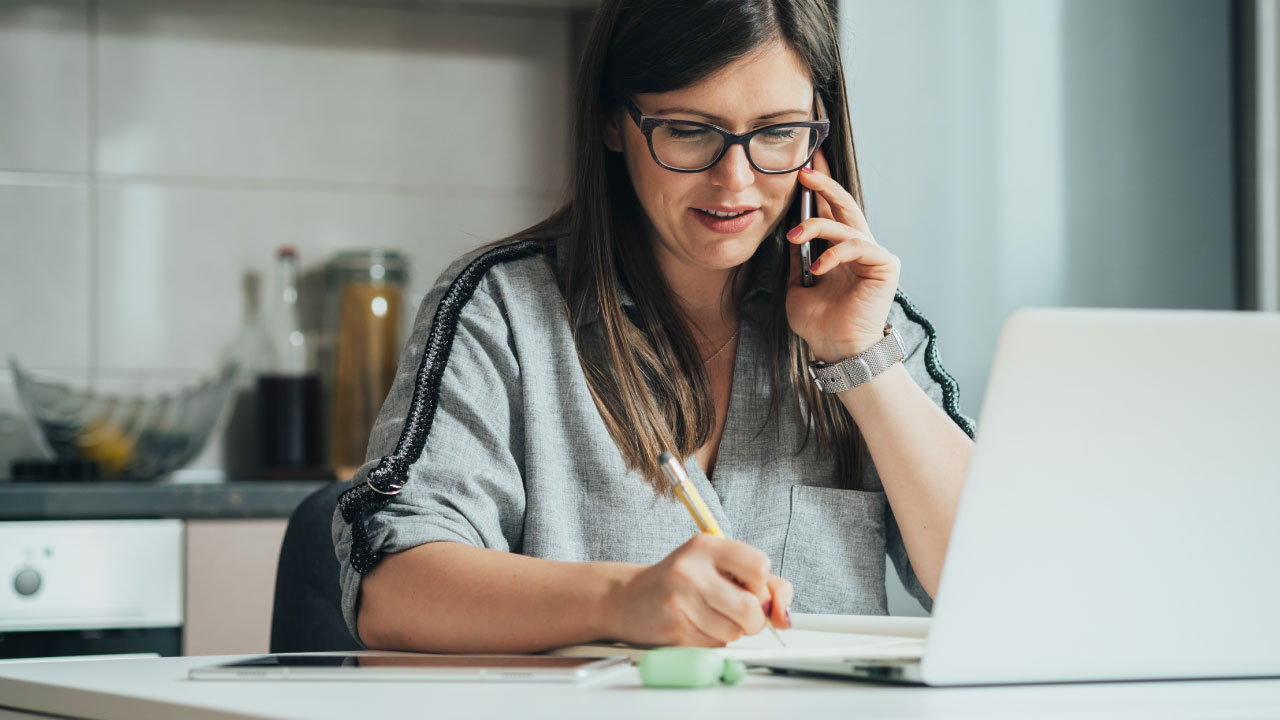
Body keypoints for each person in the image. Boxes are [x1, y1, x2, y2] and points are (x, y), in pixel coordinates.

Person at [334, 0, 975, 654]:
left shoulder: (874, 323)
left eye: (778, 132)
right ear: (615, 122)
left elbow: (997, 584)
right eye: (690, 130)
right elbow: (390, 587)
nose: (737, 179)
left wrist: (860, 359)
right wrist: (621, 601)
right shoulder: (502, 308)